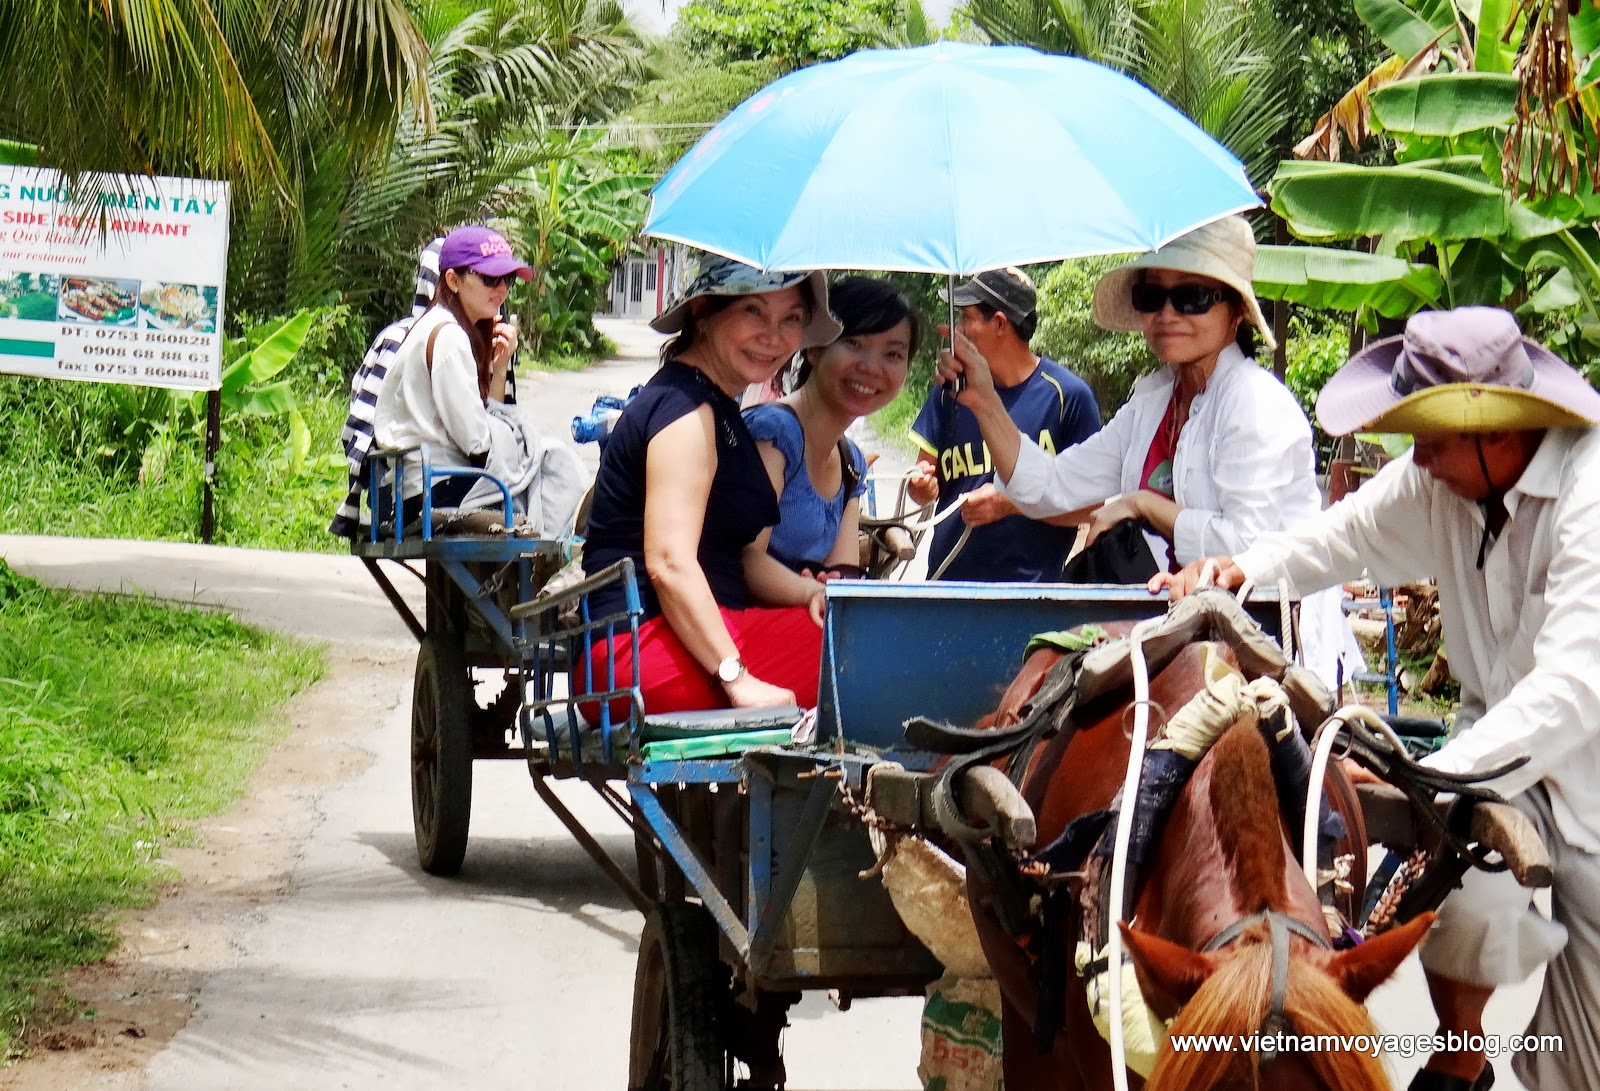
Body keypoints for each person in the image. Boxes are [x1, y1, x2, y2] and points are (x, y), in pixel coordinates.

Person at [1155, 306, 1600, 1091]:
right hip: (1497, 742)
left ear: (1495, 433)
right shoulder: (1443, 479)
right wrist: (1238, 572)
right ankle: (1459, 1061)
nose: (1415, 458)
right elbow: (1343, 536)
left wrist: (1421, 777)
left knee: (1582, 1057)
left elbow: (1571, 690)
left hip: (1590, 766)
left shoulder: (1590, 492)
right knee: (1455, 897)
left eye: (1427, 438)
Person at [935, 215, 1357, 689]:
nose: (1168, 314)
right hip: (1172, 643)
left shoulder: (1254, 403)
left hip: (1267, 652)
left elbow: (1245, 553)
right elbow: (1051, 487)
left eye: (1192, 296)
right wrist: (984, 400)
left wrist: (1142, 504)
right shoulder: (1153, 400)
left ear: (1236, 310)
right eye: (1152, 297)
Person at [580, 255, 843, 720]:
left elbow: (740, 560)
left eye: (791, 320)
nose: (773, 336)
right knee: (873, 655)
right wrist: (736, 679)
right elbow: (668, 563)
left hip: (688, 637)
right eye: (753, 312)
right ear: (704, 311)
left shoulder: (717, 407)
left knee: (851, 628)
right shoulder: (685, 411)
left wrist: (809, 595)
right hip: (642, 651)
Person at [906, 266, 1100, 581]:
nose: (960, 330)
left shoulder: (1067, 397)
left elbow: (1092, 507)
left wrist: (1010, 504)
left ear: (999, 323)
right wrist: (920, 486)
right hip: (948, 588)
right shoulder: (952, 391)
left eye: (967, 318)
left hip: (1031, 597)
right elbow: (922, 479)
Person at [744, 276, 917, 582]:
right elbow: (745, 559)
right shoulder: (774, 433)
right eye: (854, 343)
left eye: (893, 354)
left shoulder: (852, 462)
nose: (872, 367)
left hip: (803, 620)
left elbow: (843, 576)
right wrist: (812, 593)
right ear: (814, 349)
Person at [373, 225, 527, 524]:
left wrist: (499, 367)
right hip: (436, 490)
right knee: (545, 481)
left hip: (429, 486)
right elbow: (478, 444)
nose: (502, 290)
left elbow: (478, 428)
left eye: (507, 279)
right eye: (490, 278)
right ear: (454, 280)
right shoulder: (449, 337)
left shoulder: (442, 328)